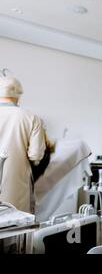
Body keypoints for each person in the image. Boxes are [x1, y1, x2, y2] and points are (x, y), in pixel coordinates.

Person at [0, 74, 47, 213]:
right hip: (16, 188)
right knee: (15, 228)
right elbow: (35, 155)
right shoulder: (31, 118)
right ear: (19, 95)